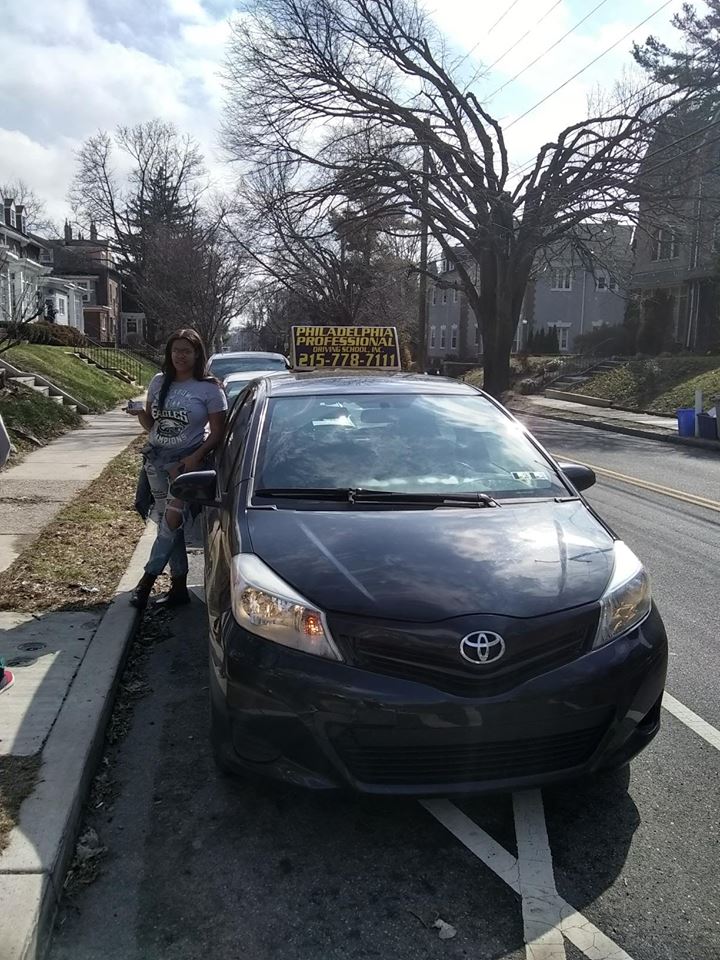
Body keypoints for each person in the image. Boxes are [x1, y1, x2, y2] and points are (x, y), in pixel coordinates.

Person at [127, 328, 227, 608]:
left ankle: (146, 582)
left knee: (171, 520)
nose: (180, 356)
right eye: (175, 350)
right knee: (169, 525)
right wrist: (140, 415)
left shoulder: (209, 388)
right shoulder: (159, 381)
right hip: (155, 461)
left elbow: (218, 433)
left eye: (186, 350)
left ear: (197, 354)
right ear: (169, 354)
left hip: (185, 464)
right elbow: (152, 425)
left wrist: (196, 457)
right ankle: (179, 587)